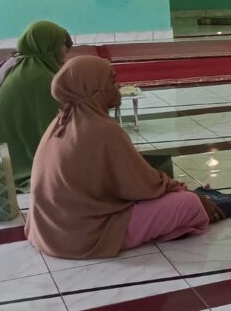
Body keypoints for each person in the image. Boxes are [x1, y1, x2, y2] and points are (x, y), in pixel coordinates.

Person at [26, 56, 220, 260]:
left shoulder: (62, 120)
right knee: (189, 204)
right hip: (83, 234)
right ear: (96, 90)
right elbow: (144, 186)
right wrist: (186, 191)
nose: (118, 87)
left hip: (48, 229)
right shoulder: (102, 129)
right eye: (112, 81)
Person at [0, 21, 73, 191]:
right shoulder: (41, 77)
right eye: (61, 45)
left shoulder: (18, 64)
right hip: (19, 157)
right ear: (47, 45)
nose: (65, 52)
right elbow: (55, 127)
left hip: (1, 148)